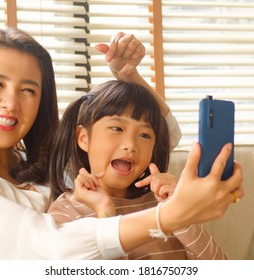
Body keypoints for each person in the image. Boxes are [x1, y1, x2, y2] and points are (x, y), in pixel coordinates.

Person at [0, 27, 244, 259]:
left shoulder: (46, 173)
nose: (11, 103)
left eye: (29, 90)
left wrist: (129, 75)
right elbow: (51, 250)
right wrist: (171, 215)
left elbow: (159, 138)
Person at [48, 80, 227, 260]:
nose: (131, 145)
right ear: (84, 138)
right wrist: (105, 211)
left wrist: (180, 209)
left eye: (144, 135)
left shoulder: (162, 203)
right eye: (117, 128)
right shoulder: (66, 213)